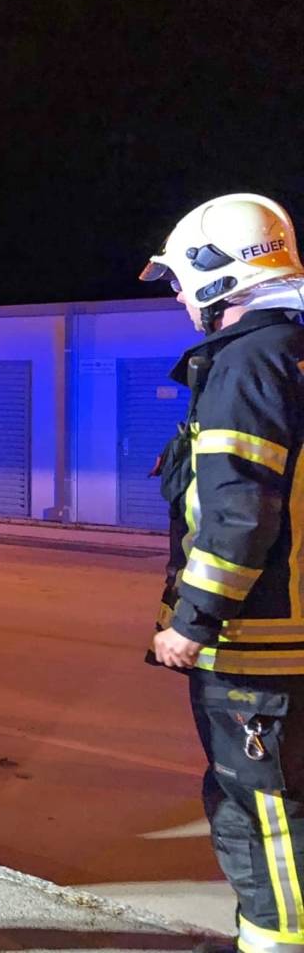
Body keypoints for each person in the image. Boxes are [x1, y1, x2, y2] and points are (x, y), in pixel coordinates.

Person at [140, 193, 304, 952]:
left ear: (220, 273)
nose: (178, 296)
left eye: (180, 280)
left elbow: (238, 511)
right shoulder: (291, 352)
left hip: (259, 642)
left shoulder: (247, 362)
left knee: (262, 814)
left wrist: (191, 621)